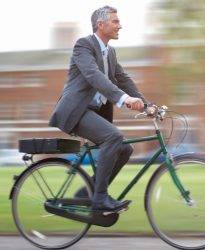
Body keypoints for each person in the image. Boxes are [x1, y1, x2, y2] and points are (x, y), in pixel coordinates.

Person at [49, 6, 148, 212]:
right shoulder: (83, 46)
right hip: (76, 112)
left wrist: (146, 105)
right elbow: (94, 76)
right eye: (115, 21)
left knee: (125, 149)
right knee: (113, 137)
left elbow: (123, 79)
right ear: (100, 25)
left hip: (93, 112)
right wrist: (123, 99)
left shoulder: (110, 52)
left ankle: (88, 194)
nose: (120, 25)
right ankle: (100, 198)